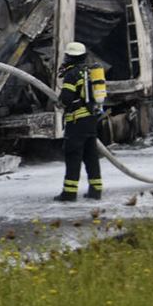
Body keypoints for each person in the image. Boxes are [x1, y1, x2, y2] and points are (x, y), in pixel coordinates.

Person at [53, 42, 105, 202]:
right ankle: (95, 190)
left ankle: (69, 193)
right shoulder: (89, 71)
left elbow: (67, 98)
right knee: (91, 156)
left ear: (70, 57)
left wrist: (59, 102)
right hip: (91, 120)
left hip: (76, 122)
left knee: (73, 156)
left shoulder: (72, 74)